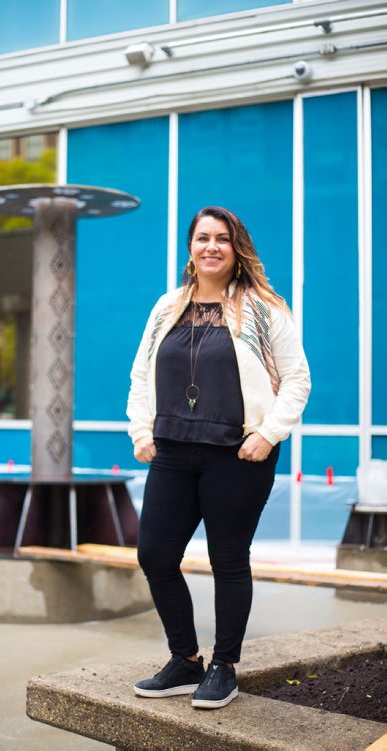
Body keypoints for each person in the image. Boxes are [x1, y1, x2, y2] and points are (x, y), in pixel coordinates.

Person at [127, 206, 310, 710]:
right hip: (172, 450)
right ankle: (184, 660)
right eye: (203, 238)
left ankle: (223, 667)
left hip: (238, 454)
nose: (211, 246)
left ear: (237, 249)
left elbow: (297, 379)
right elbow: (141, 374)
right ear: (191, 248)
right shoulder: (167, 306)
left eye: (222, 239)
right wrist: (141, 429)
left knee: (227, 559)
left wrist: (270, 434)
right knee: (155, 555)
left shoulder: (264, 308)